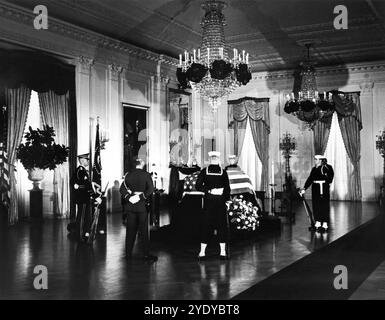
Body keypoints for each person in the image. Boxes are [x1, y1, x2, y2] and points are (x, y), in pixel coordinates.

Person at [195, 151, 231, 260]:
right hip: (220, 202)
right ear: (218, 160)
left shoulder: (204, 171)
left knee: (206, 226)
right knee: (221, 226)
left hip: (209, 203)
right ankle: (223, 252)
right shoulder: (224, 172)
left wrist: (209, 191)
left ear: (209, 160)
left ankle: (202, 252)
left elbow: (198, 186)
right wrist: (226, 199)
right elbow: (227, 189)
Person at [120, 158, 157, 262]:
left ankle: (128, 254)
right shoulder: (146, 175)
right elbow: (150, 189)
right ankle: (146, 255)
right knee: (143, 231)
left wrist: (129, 197)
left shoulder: (128, 175)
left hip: (130, 206)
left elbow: (121, 189)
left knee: (130, 231)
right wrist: (140, 197)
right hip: (141, 206)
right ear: (141, 164)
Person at [68, 153, 101, 241]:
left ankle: (81, 234)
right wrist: (95, 196)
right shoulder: (82, 171)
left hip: (81, 197)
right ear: (83, 161)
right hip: (83, 197)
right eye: (87, 160)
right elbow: (87, 186)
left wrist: (76, 185)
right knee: (82, 217)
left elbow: (72, 181)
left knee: (81, 216)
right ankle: (81, 236)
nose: (88, 162)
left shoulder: (79, 170)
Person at [300, 155, 334, 232]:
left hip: (324, 188)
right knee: (316, 204)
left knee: (324, 205)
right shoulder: (314, 169)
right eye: (315, 159)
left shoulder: (327, 167)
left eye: (316, 159)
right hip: (315, 188)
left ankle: (324, 223)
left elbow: (330, 177)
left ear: (320, 160)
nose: (315, 160)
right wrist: (304, 188)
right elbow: (310, 179)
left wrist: (326, 176)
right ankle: (318, 222)